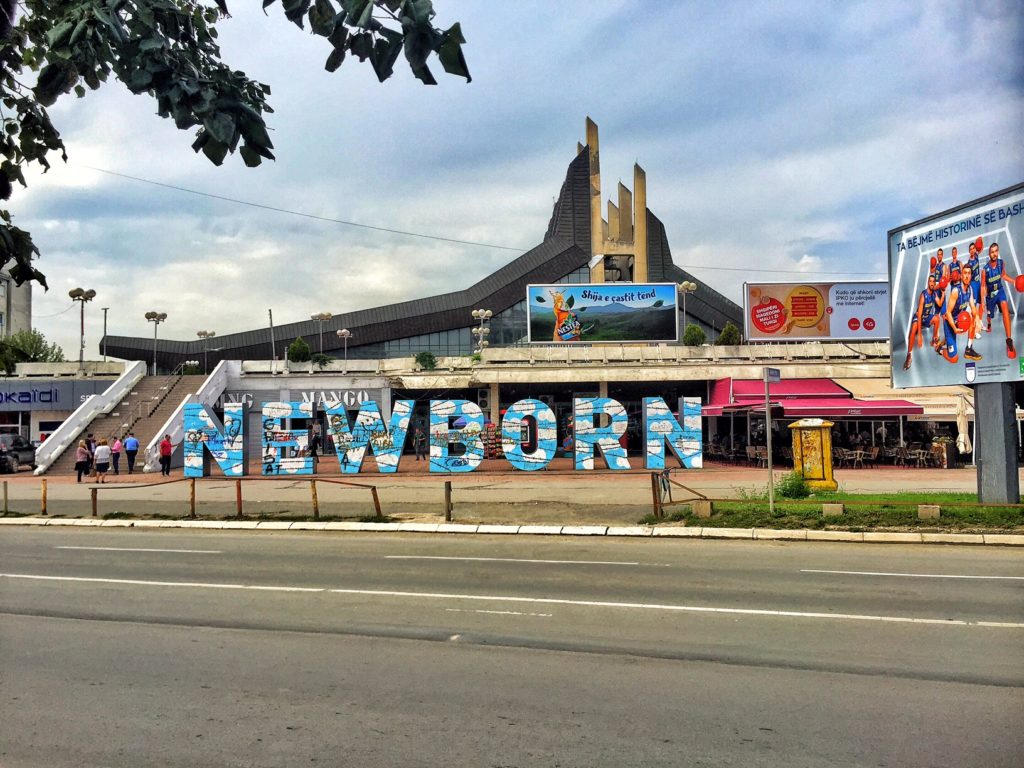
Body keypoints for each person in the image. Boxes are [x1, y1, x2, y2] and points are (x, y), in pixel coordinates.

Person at [980, 242, 1017, 358]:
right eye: (992, 252)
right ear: (989, 254)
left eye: (996, 251)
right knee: (990, 316)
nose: (994, 253)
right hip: (990, 295)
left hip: (999, 291)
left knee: (1005, 309)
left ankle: (1009, 340)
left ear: (998, 252)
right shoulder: (985, 270)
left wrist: (1014, 281)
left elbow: (1003, 275)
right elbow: (982, 286)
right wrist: (982, 301)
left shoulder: (1001, 263)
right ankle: (989, 324)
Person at [941, 264, 981, 363]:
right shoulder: (956, 291)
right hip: (949, 324)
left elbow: (972, 307)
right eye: (965, 273)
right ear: (961, 276)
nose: (967, 276)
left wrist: (977, 318)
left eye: (969, 273)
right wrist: (954, 329)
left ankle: (969, 349)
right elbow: (948, 313)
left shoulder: (970, 289)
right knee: (954, 359)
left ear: (971, 276)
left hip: (958, 320)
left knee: (972, 318)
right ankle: (940, 349)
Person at [903, 274, 943, 370]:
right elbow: (919, 315)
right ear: (928, 283)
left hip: (927, 317)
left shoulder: (934, 294)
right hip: (919, 317)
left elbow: (940, 303)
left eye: (934, 281)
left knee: (937, 319)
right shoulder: (923, 295)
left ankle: (934, 340)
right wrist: (920, 335)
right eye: (930, 281)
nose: (932, 283)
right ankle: (909, 355)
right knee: (913, 330)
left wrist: (943, 292)